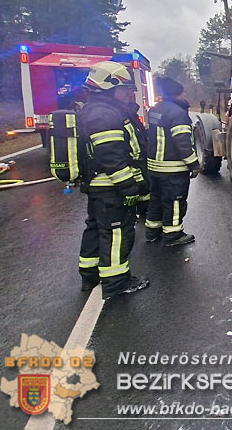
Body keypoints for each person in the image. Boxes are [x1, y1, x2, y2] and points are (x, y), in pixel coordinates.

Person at [79, 61, 150, 300]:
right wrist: (128, 186)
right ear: (109, 87)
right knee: (117, 232)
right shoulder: (104, 114)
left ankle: (89, 275)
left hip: (101, 186)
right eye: (124, 88)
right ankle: (116, 282)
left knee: (95, 228)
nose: (128, 93)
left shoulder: (97, 109)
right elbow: (111, 155)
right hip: (111, 187)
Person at [144, 77, 198, 246]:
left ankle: (152, 232)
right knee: (175, 201)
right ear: (178, 93)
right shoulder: (178, 114)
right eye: (183, 92)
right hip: (172, 169)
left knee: (156, 199)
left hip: (154, 167)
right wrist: (194, 164)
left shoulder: (155, 110)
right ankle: (172, 235)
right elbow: (182, 142)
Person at [125, 100, 150, 221]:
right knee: (141, 186)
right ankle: (142, 211)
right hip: (135, 163)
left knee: (143, 187)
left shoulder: (130, 116)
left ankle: (142, 211)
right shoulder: (126, 117)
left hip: (138, 161)